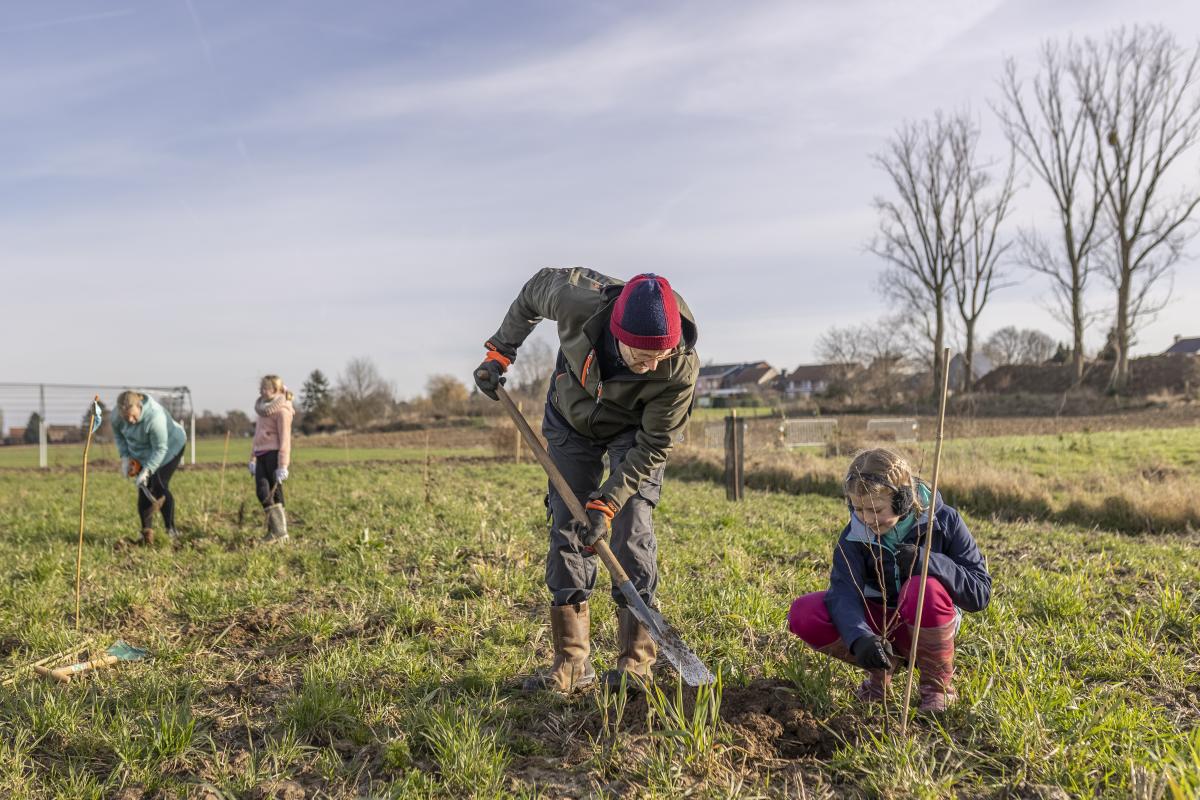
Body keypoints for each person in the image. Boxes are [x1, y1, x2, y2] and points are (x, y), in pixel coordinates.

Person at [474, 268, 699, 693]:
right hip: (571, 419)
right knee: (568, 527)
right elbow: (528, 297)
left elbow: (653, 447)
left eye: (660, 355)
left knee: (631, 527)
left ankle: (636, 662)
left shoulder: (679, 369)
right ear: (616, 333)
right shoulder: (573, 297)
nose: (651, 364)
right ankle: (572, 664)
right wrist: (501, 352)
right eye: (640, 354)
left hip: (634, 434)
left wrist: (608, 502)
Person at [786, 448, 991, 712]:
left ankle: (937, 689)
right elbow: (843, 594)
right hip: (880, 627)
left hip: (927, 622)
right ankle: (882, 667)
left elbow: (980, 593)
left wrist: (929, 563)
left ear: (903, 499)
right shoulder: (853, 536)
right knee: (805, 612)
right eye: (858, 509)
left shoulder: (945, 520)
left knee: (921, 588)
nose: (868, 519)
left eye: (876, 509)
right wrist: (860, 638)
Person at [112, 390, 188, 545]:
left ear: (139, 406)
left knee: (158, 485)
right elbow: (119, 437)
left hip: (170, 448)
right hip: (143, 452)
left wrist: (147, 471)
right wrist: (125, 458)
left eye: (134, 416)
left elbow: (160, 448)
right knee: (144, 489)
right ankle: (147, 534)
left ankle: (171, 530)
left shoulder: (155, 417)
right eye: (127, 418)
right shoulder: (116, 417)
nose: (131, 420)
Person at [249, 375, 295, 543]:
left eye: (266, 388)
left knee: (275, 494)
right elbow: (257, 436)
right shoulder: (261, 410)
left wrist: (283, 465)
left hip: (274, 454)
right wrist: (252, 458)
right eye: (261, 388)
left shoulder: (282, 412)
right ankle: (278, 531)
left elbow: (285, 439)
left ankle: (278, 534)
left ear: (275, 390)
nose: (262, 391)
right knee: (262, 492)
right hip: (261, 454)